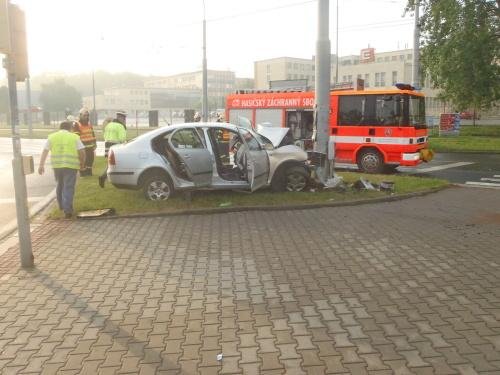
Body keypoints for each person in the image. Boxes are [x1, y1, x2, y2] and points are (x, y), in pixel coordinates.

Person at [38, 121, 86, 219]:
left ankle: (61, 206)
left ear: (60, 128)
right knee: (68, 187)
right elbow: (82, 151)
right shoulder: (74, 137)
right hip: (71, 166)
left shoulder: (52, 136)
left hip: (57, 166)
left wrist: (41, 165)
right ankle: (67, 210)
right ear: (70, 128)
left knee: (60, 184)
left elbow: (45, 151)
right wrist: (82, 163)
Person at [99, 111, 127, 188]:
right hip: (116, 146)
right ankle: (103, 176)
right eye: (124, 118)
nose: (125, 120)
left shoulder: (109, 125)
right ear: (120, 117)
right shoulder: (121, 126)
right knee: (115, 164)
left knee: (111, 163)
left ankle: (110, 178)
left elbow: (104, 135)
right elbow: (122, 139)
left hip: (107, 144)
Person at [72, 107, 97, 176]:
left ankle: (89, 173)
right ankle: (83, 174)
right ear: (80, 116)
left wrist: (95, 143)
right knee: (83, 161)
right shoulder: (77, 124)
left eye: (87, 115)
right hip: (82, 148)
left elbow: (93, 134)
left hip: (90, 147)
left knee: (90, 160)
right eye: (84, 116)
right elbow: (76, 137)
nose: (86, 117)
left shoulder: (89, 124)